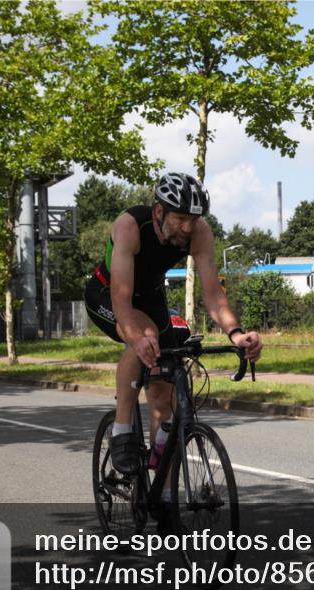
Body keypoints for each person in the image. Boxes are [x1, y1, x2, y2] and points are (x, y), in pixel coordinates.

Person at [84, 172, 262, 475]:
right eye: (180, 218)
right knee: (145, 336)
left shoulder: (199, 232)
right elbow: (122, 300)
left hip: (152, 298)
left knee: (165, 391)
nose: (188, 227)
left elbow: (213, 294)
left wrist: (236, 333)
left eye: (193, 219)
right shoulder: (130, 226)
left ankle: (164, 492)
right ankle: (122, 430)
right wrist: (137, 338)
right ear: (159, 211)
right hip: (107, 294)